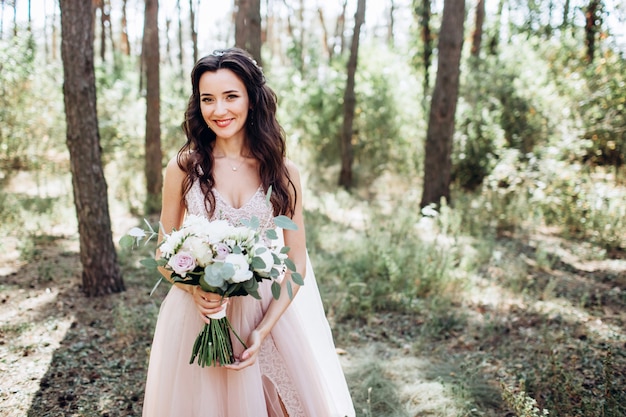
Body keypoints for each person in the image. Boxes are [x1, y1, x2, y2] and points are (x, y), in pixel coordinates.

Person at [142, 47, 356, 417]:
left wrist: (265, 329)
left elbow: (297, 264)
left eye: (230, 96)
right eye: (208, 99)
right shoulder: (184, 168)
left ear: (252, 100)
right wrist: (195, 291)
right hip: (199, 317)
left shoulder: (283, 172)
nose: (219, 110)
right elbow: (165, 252)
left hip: (269, 313)